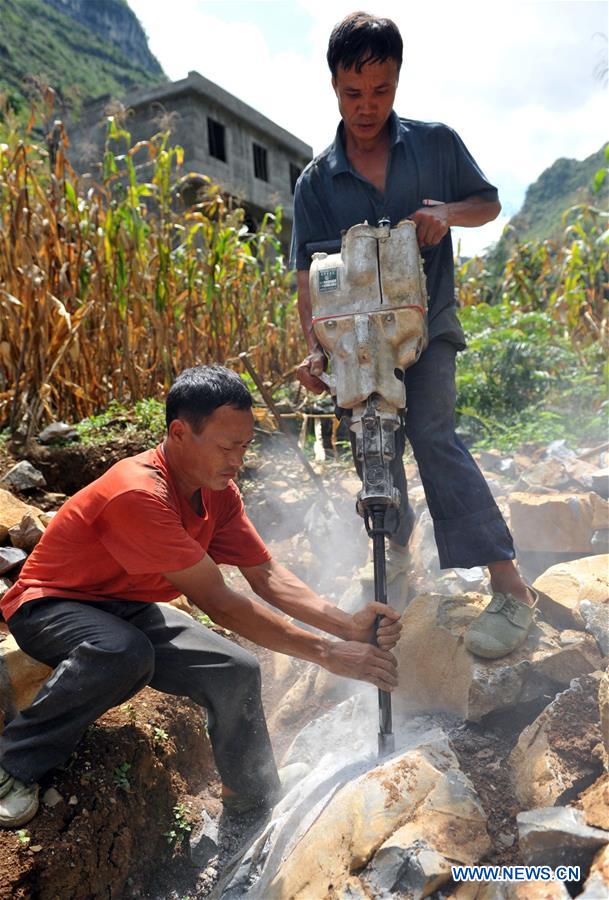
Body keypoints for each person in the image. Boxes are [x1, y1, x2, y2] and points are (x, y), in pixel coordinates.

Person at [0, 365, 401, 829]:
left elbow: (266, 574)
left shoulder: (218, 495)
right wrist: (327, 653)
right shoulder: (138, 494)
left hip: (123, 606)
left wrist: (345, 625)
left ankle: (251, 798)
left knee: (235, 670)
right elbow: (220, 603)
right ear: (179, 432)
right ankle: (13, 765)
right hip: (49, 605)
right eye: (226, 447)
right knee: (123, 652)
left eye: (244, 446)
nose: (237, 460)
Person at [291, 12, 537, 661]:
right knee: (374, 448)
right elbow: (306, 279)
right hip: (355, 343)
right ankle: (395, 556)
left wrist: (443, 214)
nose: (366, 106)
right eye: (352, 93)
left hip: (429, 327)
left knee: (430, 435)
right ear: (334, 86)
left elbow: (486, 202)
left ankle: (510, 587)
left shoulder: (433, 145)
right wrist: (317, 349)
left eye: (380, 90)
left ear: (396, 81)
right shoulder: (315, 183)